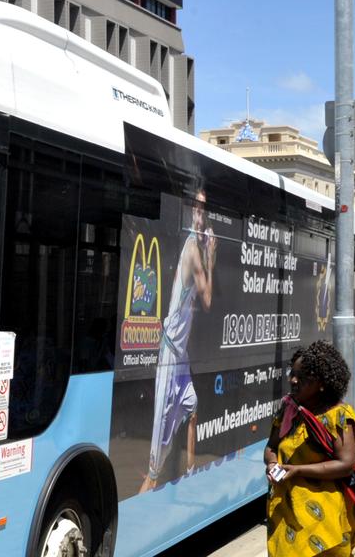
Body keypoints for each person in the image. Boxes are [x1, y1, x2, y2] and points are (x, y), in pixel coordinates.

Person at [139, 184, 217, 493]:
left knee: (192, 405)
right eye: (196, 208)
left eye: (203, 208)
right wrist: (211, 256)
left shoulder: (192, 243)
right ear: (189, 211)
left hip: (180, 354)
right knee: (154, 465)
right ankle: (149, 488)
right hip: (170, 353)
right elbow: (208, 299)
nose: (200, 214)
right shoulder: (194, 249)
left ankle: (189, 470)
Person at [263, 341, 355, 556]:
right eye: (293, 373)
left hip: (322, 519)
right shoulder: (289, 409)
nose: (293, 380)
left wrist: (298, 470)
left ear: (322, 383)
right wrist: (272, 464)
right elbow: (272, 446)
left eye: (303, 377)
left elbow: (346, 465)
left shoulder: (339, 417)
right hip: (285, 510)